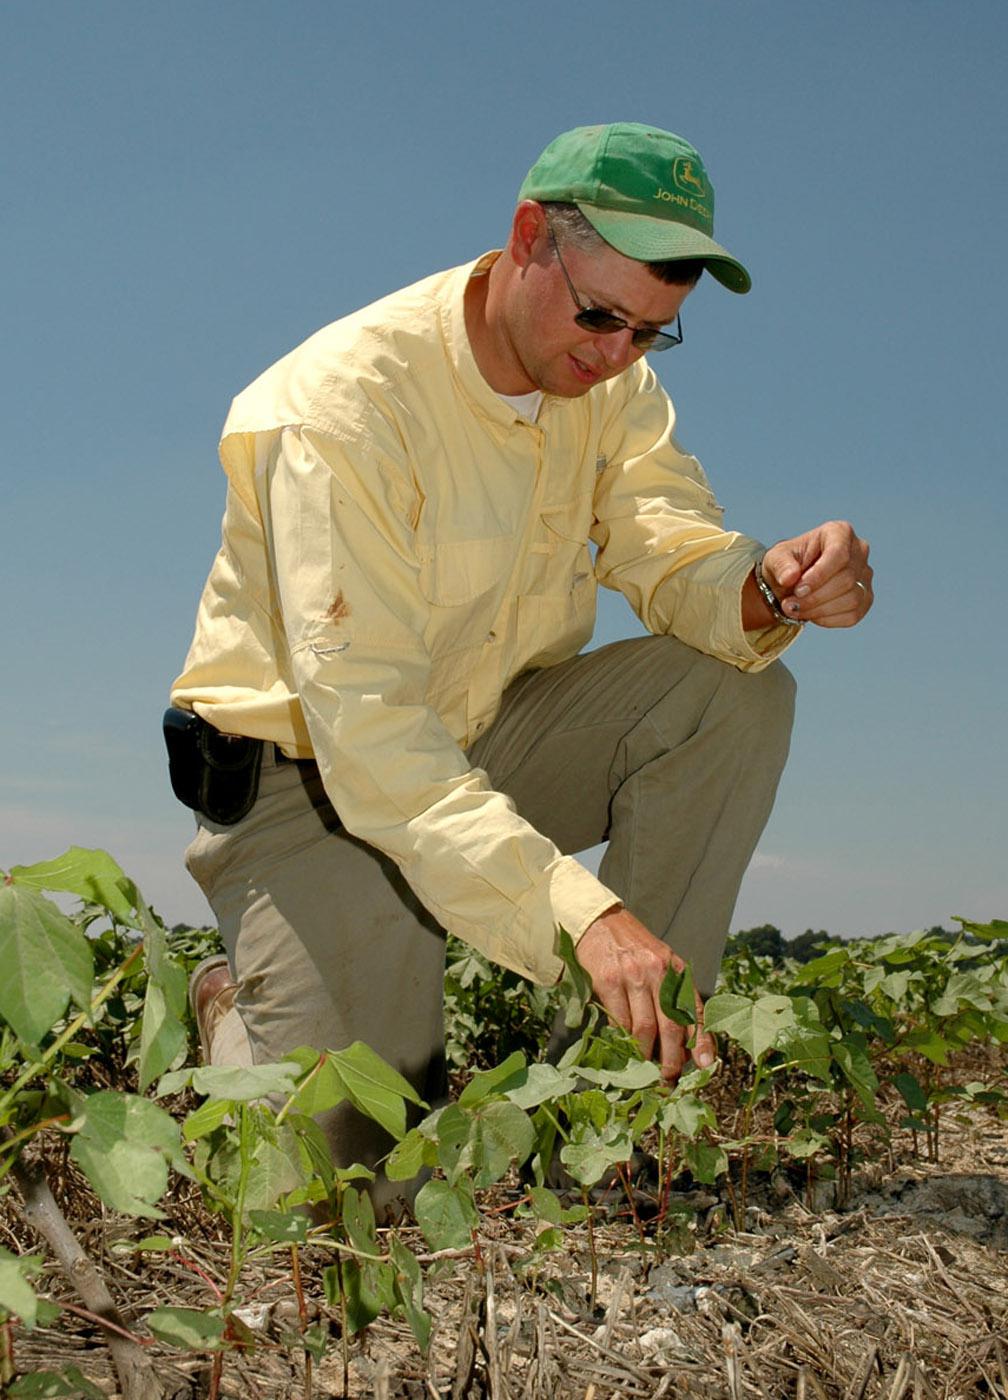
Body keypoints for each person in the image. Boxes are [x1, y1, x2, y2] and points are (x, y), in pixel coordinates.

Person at [168, 122, 872, 1211]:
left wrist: (767, 588)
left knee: (734, 689)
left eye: (655, 333)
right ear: (528, 237)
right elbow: (375, 740)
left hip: (484, 736)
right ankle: (234, 1018)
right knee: (356, 1193)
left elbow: (663, 536)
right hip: (310, 783)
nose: (616, 354)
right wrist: (583, 911)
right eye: (600, 316)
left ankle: (609, 1115)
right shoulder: (338, 409)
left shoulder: (610, 381)